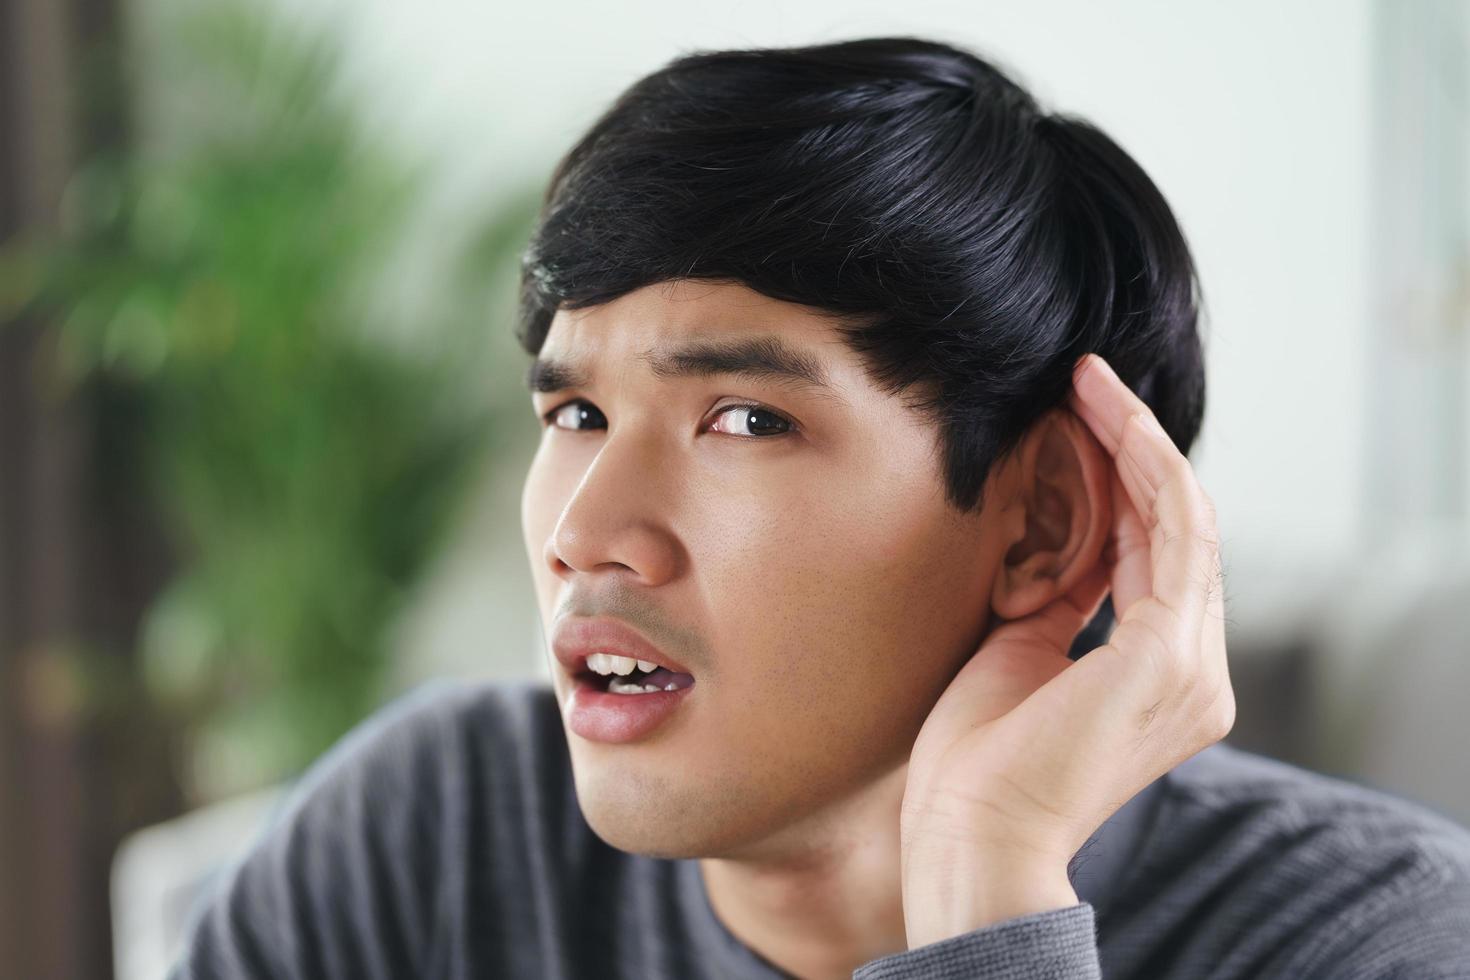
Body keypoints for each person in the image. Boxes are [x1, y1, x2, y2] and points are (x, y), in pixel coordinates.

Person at [170, 36, 1470, 979]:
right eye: (574, 416)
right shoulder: (427, 838)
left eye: (743, 420)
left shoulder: (1374, 941)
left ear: (1041, 525)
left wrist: (989, 895)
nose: (586, 530)